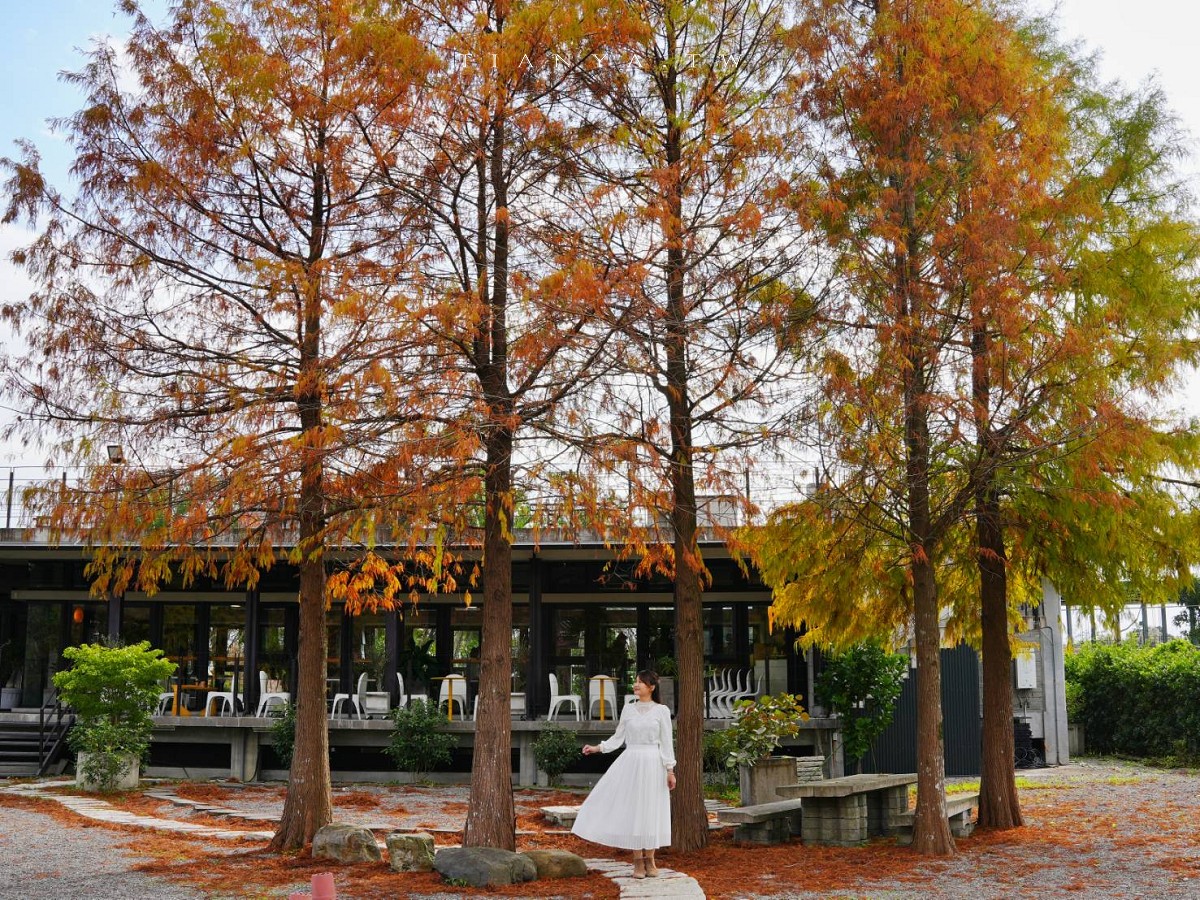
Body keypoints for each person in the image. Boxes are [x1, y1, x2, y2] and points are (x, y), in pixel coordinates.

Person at [571, 669, 676, 878]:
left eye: (641, 682)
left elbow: (666, 742)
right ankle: (637, 861)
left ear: (652, 687)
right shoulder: (628, 710)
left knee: (651, 810)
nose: (636, 685)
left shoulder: (662, 711)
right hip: (632, 763)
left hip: (654, 764)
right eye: (635, 682)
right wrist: (596, 748)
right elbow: (618, 738)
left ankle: (651, 860)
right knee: (635, 810)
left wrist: (670, 770)